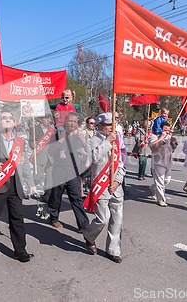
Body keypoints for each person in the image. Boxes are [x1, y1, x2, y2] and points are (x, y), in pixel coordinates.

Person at [0, 110, 35, 262]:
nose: (7, 120)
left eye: (10, 118)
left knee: (17, 218)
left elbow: (25, 166)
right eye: (4, 118)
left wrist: (31, 183)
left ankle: (20, 249)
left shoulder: (20, 142)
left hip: (15, 185)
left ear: (15, 122)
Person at [83, 112, 125, 263]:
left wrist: (118, 181)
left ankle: (113, 250)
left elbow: (120, 164)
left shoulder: (117, 142)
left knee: (117, 220)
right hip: (100, 186)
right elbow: (94, 157)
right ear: (99, 125)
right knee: (102, 219)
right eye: (108, 125)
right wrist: (107, 141)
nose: (111, 127)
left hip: (115, 188)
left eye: (113, 124)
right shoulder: (93, 140)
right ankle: (89, 235)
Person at [47, 112, 90, 232]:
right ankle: (54, 217)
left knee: (76, 198)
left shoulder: (79, 136)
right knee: (56, 197)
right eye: (70, 121)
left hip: (73, 172)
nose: (72, 123)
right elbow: (50, 152)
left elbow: (89, 153)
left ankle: (83, 224)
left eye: (75, 121)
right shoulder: (57, 135)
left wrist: (84, 141)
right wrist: (60, 141)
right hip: (59, 171)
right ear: (65, 122)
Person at [148, 121, 178, 206]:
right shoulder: (154, 136)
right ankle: (161, 200)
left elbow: (172, 149)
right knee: (160, 182)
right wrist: (161, 138)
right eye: (165, 130)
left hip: (168, 162)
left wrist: (174, 144)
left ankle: (153, 188)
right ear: (160, 129)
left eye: (168, 130)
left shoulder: (169, 137)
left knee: (166, 180)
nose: (167, 132)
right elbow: (153, 147)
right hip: (158, 163)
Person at [28, 115, 55, 197]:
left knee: (49, 175)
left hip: (50, 156)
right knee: (38, 175)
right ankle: (32, 189)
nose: (48, 120)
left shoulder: (52, 130)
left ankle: (47, 193)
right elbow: (31, 141)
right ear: (41, 120)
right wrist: (32, 144)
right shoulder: (34, 129)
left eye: (49, 119)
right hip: (40, 154)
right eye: (46, 119)